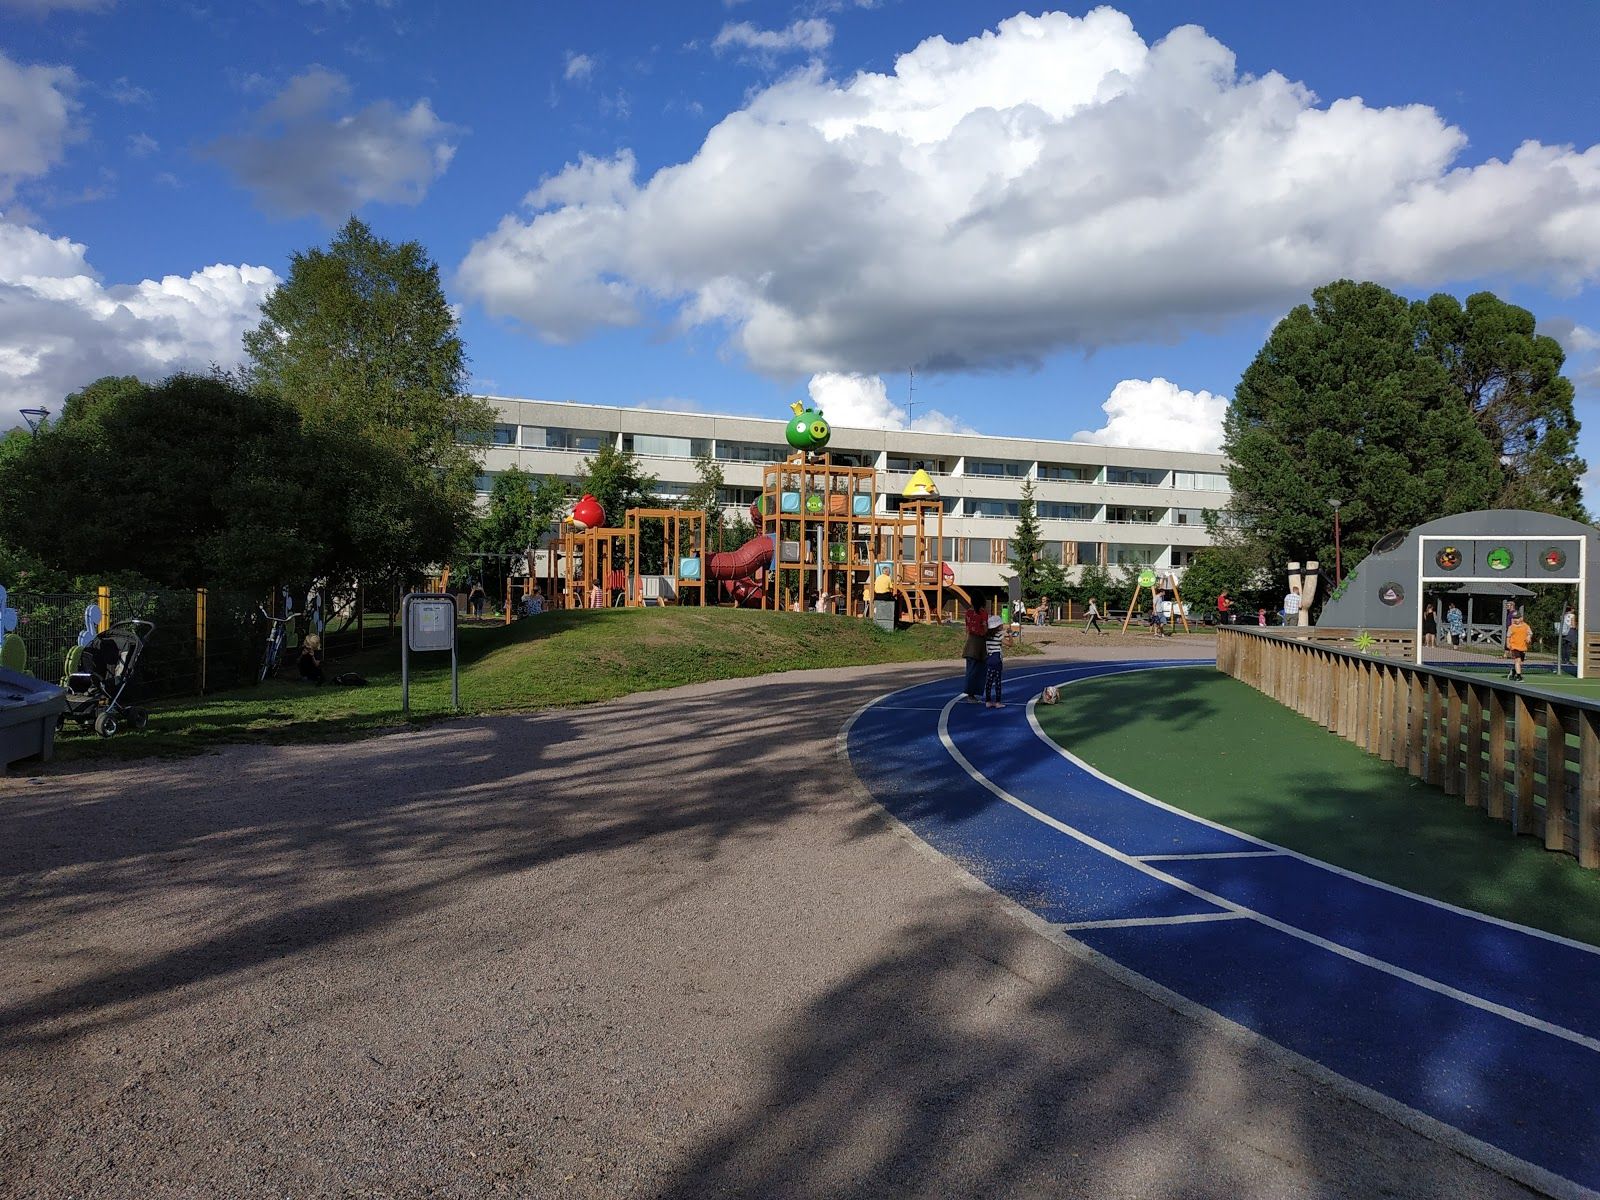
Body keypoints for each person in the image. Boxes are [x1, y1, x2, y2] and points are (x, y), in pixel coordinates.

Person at [962, 601, 988, 702]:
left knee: (970, 669)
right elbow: (985, 629)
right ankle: (972, 694)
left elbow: (967, 628)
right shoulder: (983, 613)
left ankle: (970, 693)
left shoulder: (968, 612)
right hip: (979, 643)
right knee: (978, 670)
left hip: (970, 642)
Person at [983, 613, 1006, 709]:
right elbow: (1010, 644)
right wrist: (1010, 636)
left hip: (989, 658)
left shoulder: (987, 636)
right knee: (997, 681)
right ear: (998, 626)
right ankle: (997, 702)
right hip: (996, 658)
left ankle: (988, 701)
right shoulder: (998, 636)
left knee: (988, 681)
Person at [1506, 609, 1532, 682]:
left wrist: (1528, 637)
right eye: (1514, 618)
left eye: (1517, 618)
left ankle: (1514, 670)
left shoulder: (1526, 626)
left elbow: (1530, 633)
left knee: (1520, 662)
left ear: (1521, 618)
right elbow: (1508, 636)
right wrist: (1508, 644)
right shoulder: (1511, 627)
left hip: (1523, 647)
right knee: (1517, 660)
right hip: (1514, 646)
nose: (1516, 620)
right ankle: (1518, 676)